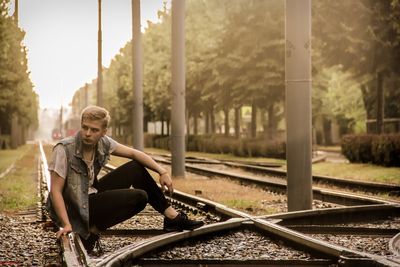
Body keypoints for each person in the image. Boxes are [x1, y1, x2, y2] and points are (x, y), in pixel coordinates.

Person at [46, 105, 203, 252]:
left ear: (103, 132)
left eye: (94, 130)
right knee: (140, 197)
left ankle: (171, 216)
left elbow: (134, 154)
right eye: (85, 127)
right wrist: (66, 224)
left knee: (135, 168)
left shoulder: (103, 142)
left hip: (90, 198)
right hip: (75, 209)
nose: (88, 133)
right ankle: (92, 229)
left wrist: (162, 172)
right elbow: (56, 191)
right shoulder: (64, 149)